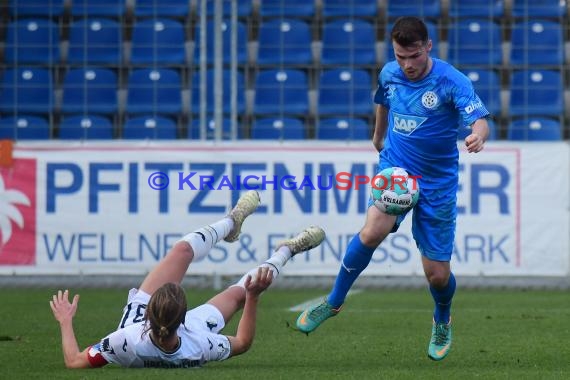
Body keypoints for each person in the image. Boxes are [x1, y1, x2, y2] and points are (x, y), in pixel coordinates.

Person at [296, 16, 490, 361]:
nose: (407, 64)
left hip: (438, 181)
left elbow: (479, 118)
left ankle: (442, 318)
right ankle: (333, 302)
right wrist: (378, 134)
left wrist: (478, 136)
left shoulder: (450, 81)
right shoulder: (389, 73)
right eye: (401, 56)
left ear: (427, 47)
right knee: (372, 232)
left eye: (413, 56)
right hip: (396, 169)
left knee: (438, 274)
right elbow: (383, 99)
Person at [50, 190, 326, 368]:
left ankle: (233, 222)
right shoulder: (199, 344)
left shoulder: (126, 340)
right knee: (241, 293)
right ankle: (286, 250)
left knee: (182, 251)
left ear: (148, 311)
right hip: (188, 331)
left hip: (149, 325)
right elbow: (241, 342)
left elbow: (74, 361)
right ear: (183, 319)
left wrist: (65, 322)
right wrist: (252, 298)